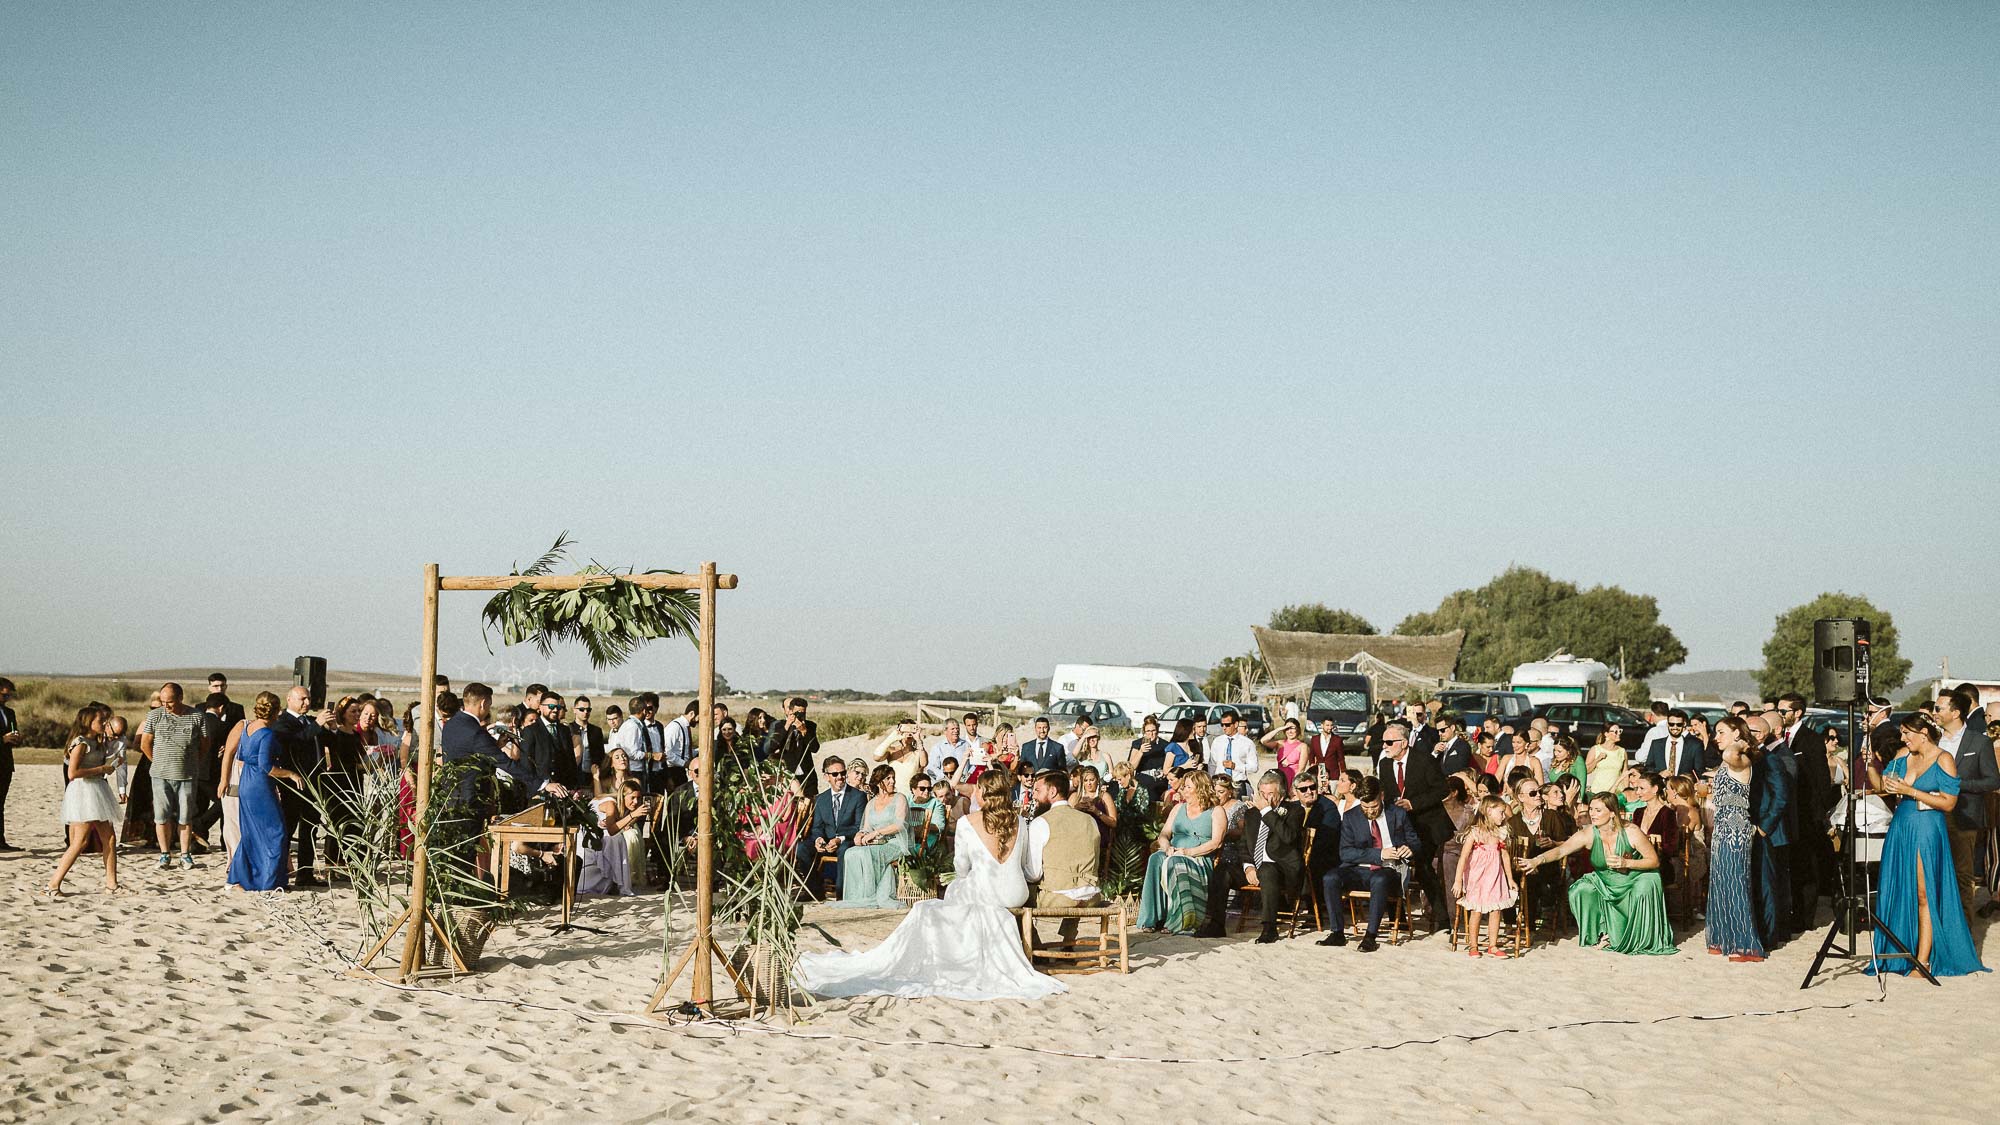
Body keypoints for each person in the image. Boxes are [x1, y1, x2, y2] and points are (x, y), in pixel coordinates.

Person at [795, 771, 1063, 1000]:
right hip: (1016, 893)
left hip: (986, 892)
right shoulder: (1020, 822)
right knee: (958, 894)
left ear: (982, 792)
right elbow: (1029, 869)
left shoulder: (968, 823)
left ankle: (953, 956)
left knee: (935, 903)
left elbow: (960, 868)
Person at [1867, 714, 1988, 977]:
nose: (1903, 738)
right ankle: (1899, 952)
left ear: (1924, 733)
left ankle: (1923, 961)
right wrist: (1870, 765)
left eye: (1907, 733)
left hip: (1927, 828)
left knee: (1924, 893)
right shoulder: (1902, 756)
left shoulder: (1943, 759)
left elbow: (1949, 803)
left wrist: (1911, 792)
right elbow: (1882, 788)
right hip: (1901, 826)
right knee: (1898, 888)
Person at [1520, 792, 1675, 956]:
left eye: (1598, 810)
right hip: (1605, 882)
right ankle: (1601, 932)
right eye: (1591, 809)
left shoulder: (1631, 831)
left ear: (1612, 813)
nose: (1592, 814)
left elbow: (1654, 861)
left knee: (1646, 884)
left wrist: (1627, 863)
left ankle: (1634, 936)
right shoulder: (1589, 833)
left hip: (1634, 878)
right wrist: (1537, 860)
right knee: (1580, 890)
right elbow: (1561, 850)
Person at [1320, 775, 1420, 952]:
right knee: (1330, 878)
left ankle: (1370, 936)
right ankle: (1337, 932)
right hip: (1359, 868)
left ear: (1381, 796)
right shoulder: (1351, 816)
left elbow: (1415, 841)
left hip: (1390, 869)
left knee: (1379, 880)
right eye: (1365, 807)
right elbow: (1345, 852)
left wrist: (1410, 849)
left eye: (1373, 806)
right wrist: (1379, 854)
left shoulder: (1397, 814)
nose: (1369, 811)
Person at [1376, 721, 1451, 928]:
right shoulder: (1384, 764)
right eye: (1383, 742)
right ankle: (1396, 919)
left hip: (1427, 824)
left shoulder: (1424, 760)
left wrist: (1413, 803)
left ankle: (1442, 919)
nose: (1385, 746)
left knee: (1424, 868)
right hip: (1400, 826)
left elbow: (1441, 790)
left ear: (1403, 743)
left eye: (1389, 742)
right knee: (1392, 865)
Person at [1933, 687, 1998, 916]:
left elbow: (1992, 781)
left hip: (1964, 817)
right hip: (1932, 814)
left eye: (1939, 708)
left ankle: (1963, 931)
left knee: (1962, 876)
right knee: (1934, 873)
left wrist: (1958, 785)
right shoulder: (1932, 740)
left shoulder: (1979, 742)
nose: (1935, 712)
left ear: (1956, 712)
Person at [44, 705, 121, 896]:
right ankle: (53, 884)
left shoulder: (97, 741)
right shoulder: (80, 743)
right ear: (88, 722)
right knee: (80, 841)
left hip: (98, 789)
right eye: (101, 721)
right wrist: (101, 769)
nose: (104, 724)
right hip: (84, 792)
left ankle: (112, 884)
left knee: (109, 838)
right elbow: (73, 773)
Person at [1706, 716, 1765, 961]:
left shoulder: (1739, 758)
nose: (1715, 738)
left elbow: (1729, 753)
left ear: (1736, 734)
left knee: (1735, 882)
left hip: (1736, 828)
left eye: (1721, 732)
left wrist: (1742, 742)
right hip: (1722, 827)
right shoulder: (1730, 761)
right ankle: (1723, 937)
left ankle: (1746, 945)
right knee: (1720, 882)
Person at [1022, 769, 1104, 947]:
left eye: (1037, 790)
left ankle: (1035, 947)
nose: (1034, 795)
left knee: (1016, 896)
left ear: (1052, 792)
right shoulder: (1089, 820)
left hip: (1058, 899)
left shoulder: (1041, 822)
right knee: (1073, 885)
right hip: (1091, 896)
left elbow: (1034, 874)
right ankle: (1068, 941)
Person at [227, 692, 298, 892]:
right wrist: (290, 774)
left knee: (251, 831)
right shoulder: (267, 733)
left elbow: (240, 758)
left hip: (246, 781)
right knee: (277, 832)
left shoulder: (248, 728)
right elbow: (267, 766)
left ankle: (241, 877)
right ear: (276, 711)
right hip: (259, 783)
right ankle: (270, 881)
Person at [1138, 771, 1224, 934]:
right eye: (1183, 786)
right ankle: (1152, 918)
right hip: (1175, 851)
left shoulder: (1216, 811)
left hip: (1199, 857)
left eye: (1187, 787)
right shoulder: (1178, 808)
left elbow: (1216, 842)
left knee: (1175, 862)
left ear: (1200, 788)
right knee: (1156, 859)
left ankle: (1176, 920)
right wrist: (1166, 846)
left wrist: (1188, 852)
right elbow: (1164, 834)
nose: (1183, 789)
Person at [141, 682, 209, 871]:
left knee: (185, 817)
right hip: (160, 775)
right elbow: (145, 743)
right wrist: (156, 761)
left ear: (180, 698)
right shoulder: (154, 715)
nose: (166, 705)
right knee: (161, 816)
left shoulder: (196, 716)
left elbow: (204, 744)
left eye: (169, 702)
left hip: (187, 775)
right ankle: (164, 854)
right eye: (163, 701)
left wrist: (192, 762)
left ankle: (185, 854)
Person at [1238, 770, 1305, 943]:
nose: (1265, 798)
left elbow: (1288, 837)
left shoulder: (1294, 811)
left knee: (1267, 870)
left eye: (1270, 794)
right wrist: (1249, 866)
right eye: (1262, 794)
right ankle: (1214, 922)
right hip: (1255, 867)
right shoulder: (1251, 814)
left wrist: (1268, 811)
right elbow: (1244, 844)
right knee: (1223, 870)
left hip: (1282, 868)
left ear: (1281, 795)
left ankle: (1269, 928)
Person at [835, 765, 911, 908]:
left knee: (867, 854)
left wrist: (876, 833)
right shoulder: (871, 803)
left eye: (893, 778)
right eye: (888, 778)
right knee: (851, 852)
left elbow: (900, 825)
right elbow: (866, 827)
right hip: (877, 843)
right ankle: (858, 895)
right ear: (878, 781)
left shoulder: (899, 798)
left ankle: (869, 895)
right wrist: (860, 835)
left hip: (896, 843)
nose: (892, 781)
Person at [1453, 796, 1519, 958]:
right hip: (1478, 877)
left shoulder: (1500, 832)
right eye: (1501, 812)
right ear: (1489, 811)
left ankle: (1493, 945)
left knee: (1496, 910)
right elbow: (1463, 857)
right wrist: (1458, 880)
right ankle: (1473, 945)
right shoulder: (1475, 832)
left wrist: (1510, 879)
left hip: (1496, 876)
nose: (1504, 816)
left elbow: (1504, 856)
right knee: (1477, 910)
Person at [799, 754, 865, 899]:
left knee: (844, 850)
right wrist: (819, 840)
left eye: (842, 773)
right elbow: (817, 827)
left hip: (846, 841)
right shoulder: (821, 799)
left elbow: (859, 826)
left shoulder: (857, 796)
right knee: (802, 848)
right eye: (835, 774)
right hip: (826, 841)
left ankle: (841, 895)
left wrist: (840, 839)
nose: (840, 777)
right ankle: (815, 891)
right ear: (826, 777)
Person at [577, 779, 646, 896]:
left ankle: (614, 881)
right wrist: (632, 815)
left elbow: (621, 825)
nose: (635, 802)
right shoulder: (611, 804)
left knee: (619, 839)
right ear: (622, 797)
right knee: (617, 839)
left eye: (638, 798)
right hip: (586, 834)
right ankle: (615, 880)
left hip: (601, 834)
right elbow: (612, 830)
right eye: (632, 798)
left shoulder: (630, 809)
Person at [1207, 709, 1258, 791]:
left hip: (1237, 784)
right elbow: (1212, 765)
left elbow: (1254, 767)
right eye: (1222, 725)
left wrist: (1236, 766)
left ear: (1236, 724)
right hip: (1219, 784)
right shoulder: (1217, 741)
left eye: (1227, 725)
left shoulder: (1247, 743)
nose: (1224, 728)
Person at [1128, 716, 1171, 800]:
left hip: (1160, 778)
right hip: (1143, 778)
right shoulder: (1137, 744)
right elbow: (1131, 767)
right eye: (1148, 731)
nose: (1151, 734)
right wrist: (1140, 752)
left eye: (1153, 730)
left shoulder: (1165, 745)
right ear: (1144, 732)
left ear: (1157, 730)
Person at [1260, 719, 1311, 786]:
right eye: (1287, 729)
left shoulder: (1303, 746)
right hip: (1280, 779)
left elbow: (1301, 769)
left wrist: (1294, 786)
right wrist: (1279, 729)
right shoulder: (1280, 743)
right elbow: (1263, 741)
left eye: (1292, 728)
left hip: (1294, 780)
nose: (1290, 731)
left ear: (1298, 729)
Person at [1585, 722, 1626, 799]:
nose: (1619, 734)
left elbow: (1625, 774)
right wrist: (1597, 759)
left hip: (1617, 792)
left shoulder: (1622, 751)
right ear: (1606, 734)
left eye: (1620, 731)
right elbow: (1587, 770)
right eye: (1615, 732)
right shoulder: (1595, 749)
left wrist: (1627, 791)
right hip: (1598, 791)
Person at [0, 676, 18, 851]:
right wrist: (2, 739)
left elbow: (13, 731)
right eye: (4, 695)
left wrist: (15, 738)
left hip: (5, 763)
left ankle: (1, 841)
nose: (7, 699)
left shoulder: (9, 713)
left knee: (1, 803)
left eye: (9, 696)